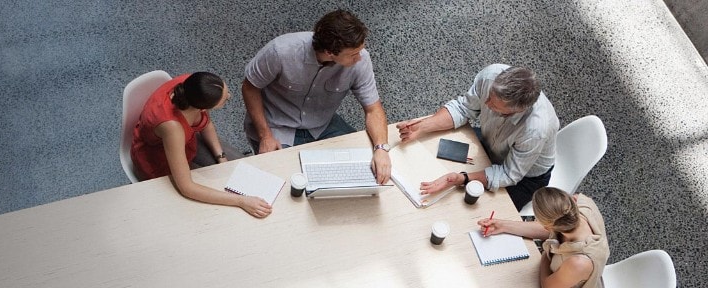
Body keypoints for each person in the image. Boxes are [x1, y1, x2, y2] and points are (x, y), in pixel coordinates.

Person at [241, 9, 392, 184]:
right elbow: (250, 87)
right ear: (330, 52)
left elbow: (373, 109)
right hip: (277, 125)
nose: (359, 58)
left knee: (365, 164)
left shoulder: (361, 59)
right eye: (353, 54)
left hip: (322, 124)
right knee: (283, 181)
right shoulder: (280, 51)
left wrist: (381, 149)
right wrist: (265, 136)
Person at [398, 64, 559, 210]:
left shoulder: (536, 129)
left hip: (524, 177)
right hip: (490, 143)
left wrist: (462, 178)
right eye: (489, 96)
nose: (486, 104)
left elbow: (509, 174)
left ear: (516, 111)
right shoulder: (491, 76)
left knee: (472, 213)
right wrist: (422, 126)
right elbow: (463, 109)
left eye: (494, 107)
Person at [131, 72, 267, 218]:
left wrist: (220, 157)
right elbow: (187, 187)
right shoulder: (172, 127)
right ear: (202, 108)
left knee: (233, 168)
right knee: (209, 207)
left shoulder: (194, 85)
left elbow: (205, 123)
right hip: (158, 157)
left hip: (185, 139)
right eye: (225, 99)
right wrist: (241, 201)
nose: (229, 97)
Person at [478, 187, 609, 288]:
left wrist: (546, 252)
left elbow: (547, 285)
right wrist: (503, 225)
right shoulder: (580, 203)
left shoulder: (578, 263)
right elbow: (554, 230)